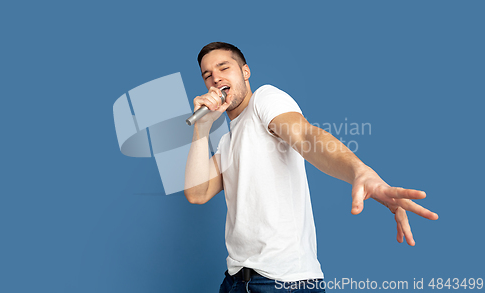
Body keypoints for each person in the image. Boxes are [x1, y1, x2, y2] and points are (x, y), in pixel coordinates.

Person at [184, 42, 438, 293]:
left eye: (223, 68)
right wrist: (202, 128)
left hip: (282, 283)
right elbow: (197, 193)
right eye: (208, 75)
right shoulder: (227, 141)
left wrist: (359, 171)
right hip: (236, 281)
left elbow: (306, 137)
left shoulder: (265, 99)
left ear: (245, 72)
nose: (216, 78)